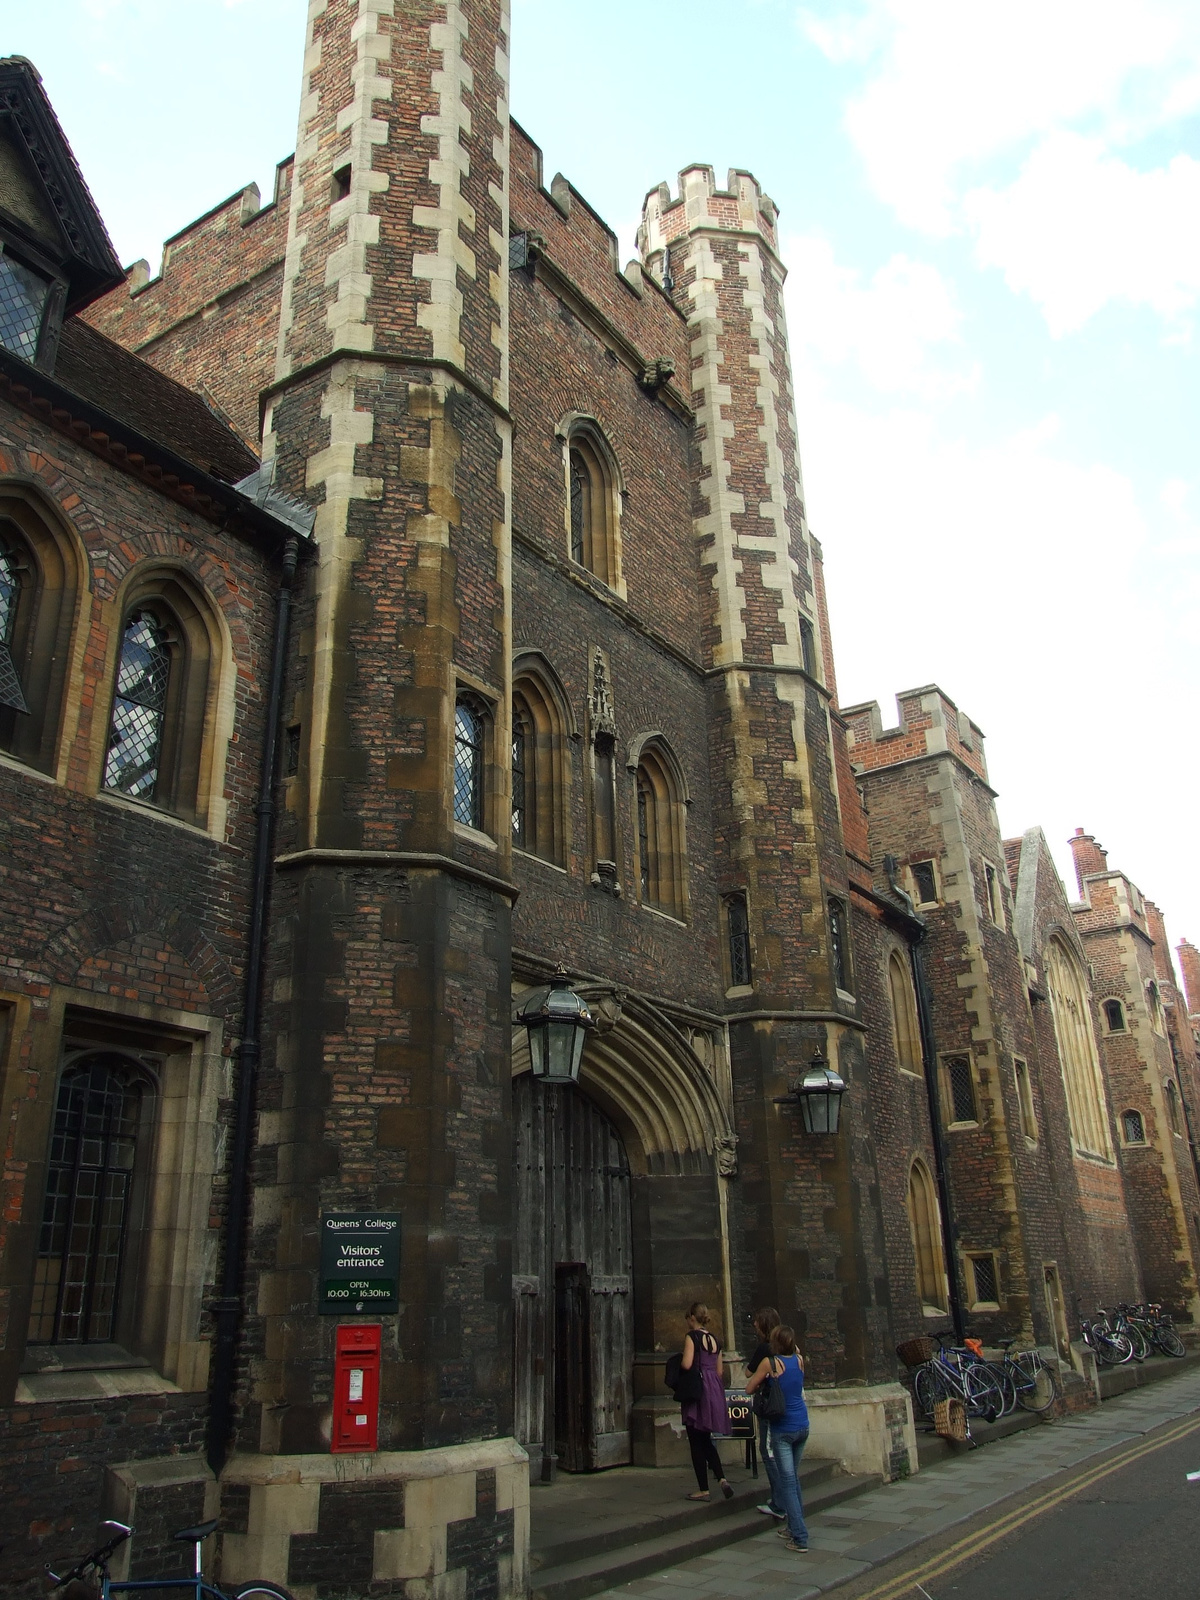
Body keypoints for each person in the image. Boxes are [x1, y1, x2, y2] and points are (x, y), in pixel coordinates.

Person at [746, 1323, 808, 1552]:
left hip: (783, 1429)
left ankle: (800, 1537)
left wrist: (765, 1378)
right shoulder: (800, 1360)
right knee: (793, 1480)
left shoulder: (770, 1363)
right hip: (803, 1425)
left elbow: (749, 1388)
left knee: (788, 1483)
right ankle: (793, 1528)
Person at [679, 1302, 733, 1500]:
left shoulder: (692, 1337)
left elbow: (686, 1363)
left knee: (695, 1439)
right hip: (713, 1389)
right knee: (706, 1438)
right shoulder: (716, 1340)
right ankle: (721, 1478)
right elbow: (719, 1371)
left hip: (698, 1388)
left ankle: (703, 1489)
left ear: (692, 1317)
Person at [747, 1306, 785, 1521]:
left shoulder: (765, 1349)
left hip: (770, 1406)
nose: (753, 1324)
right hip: (789, 1406)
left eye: (757, 1321)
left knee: (769, 1452)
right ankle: (781, 1499)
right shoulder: (788, 1346)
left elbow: (749, 1374)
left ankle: (780, 1503)